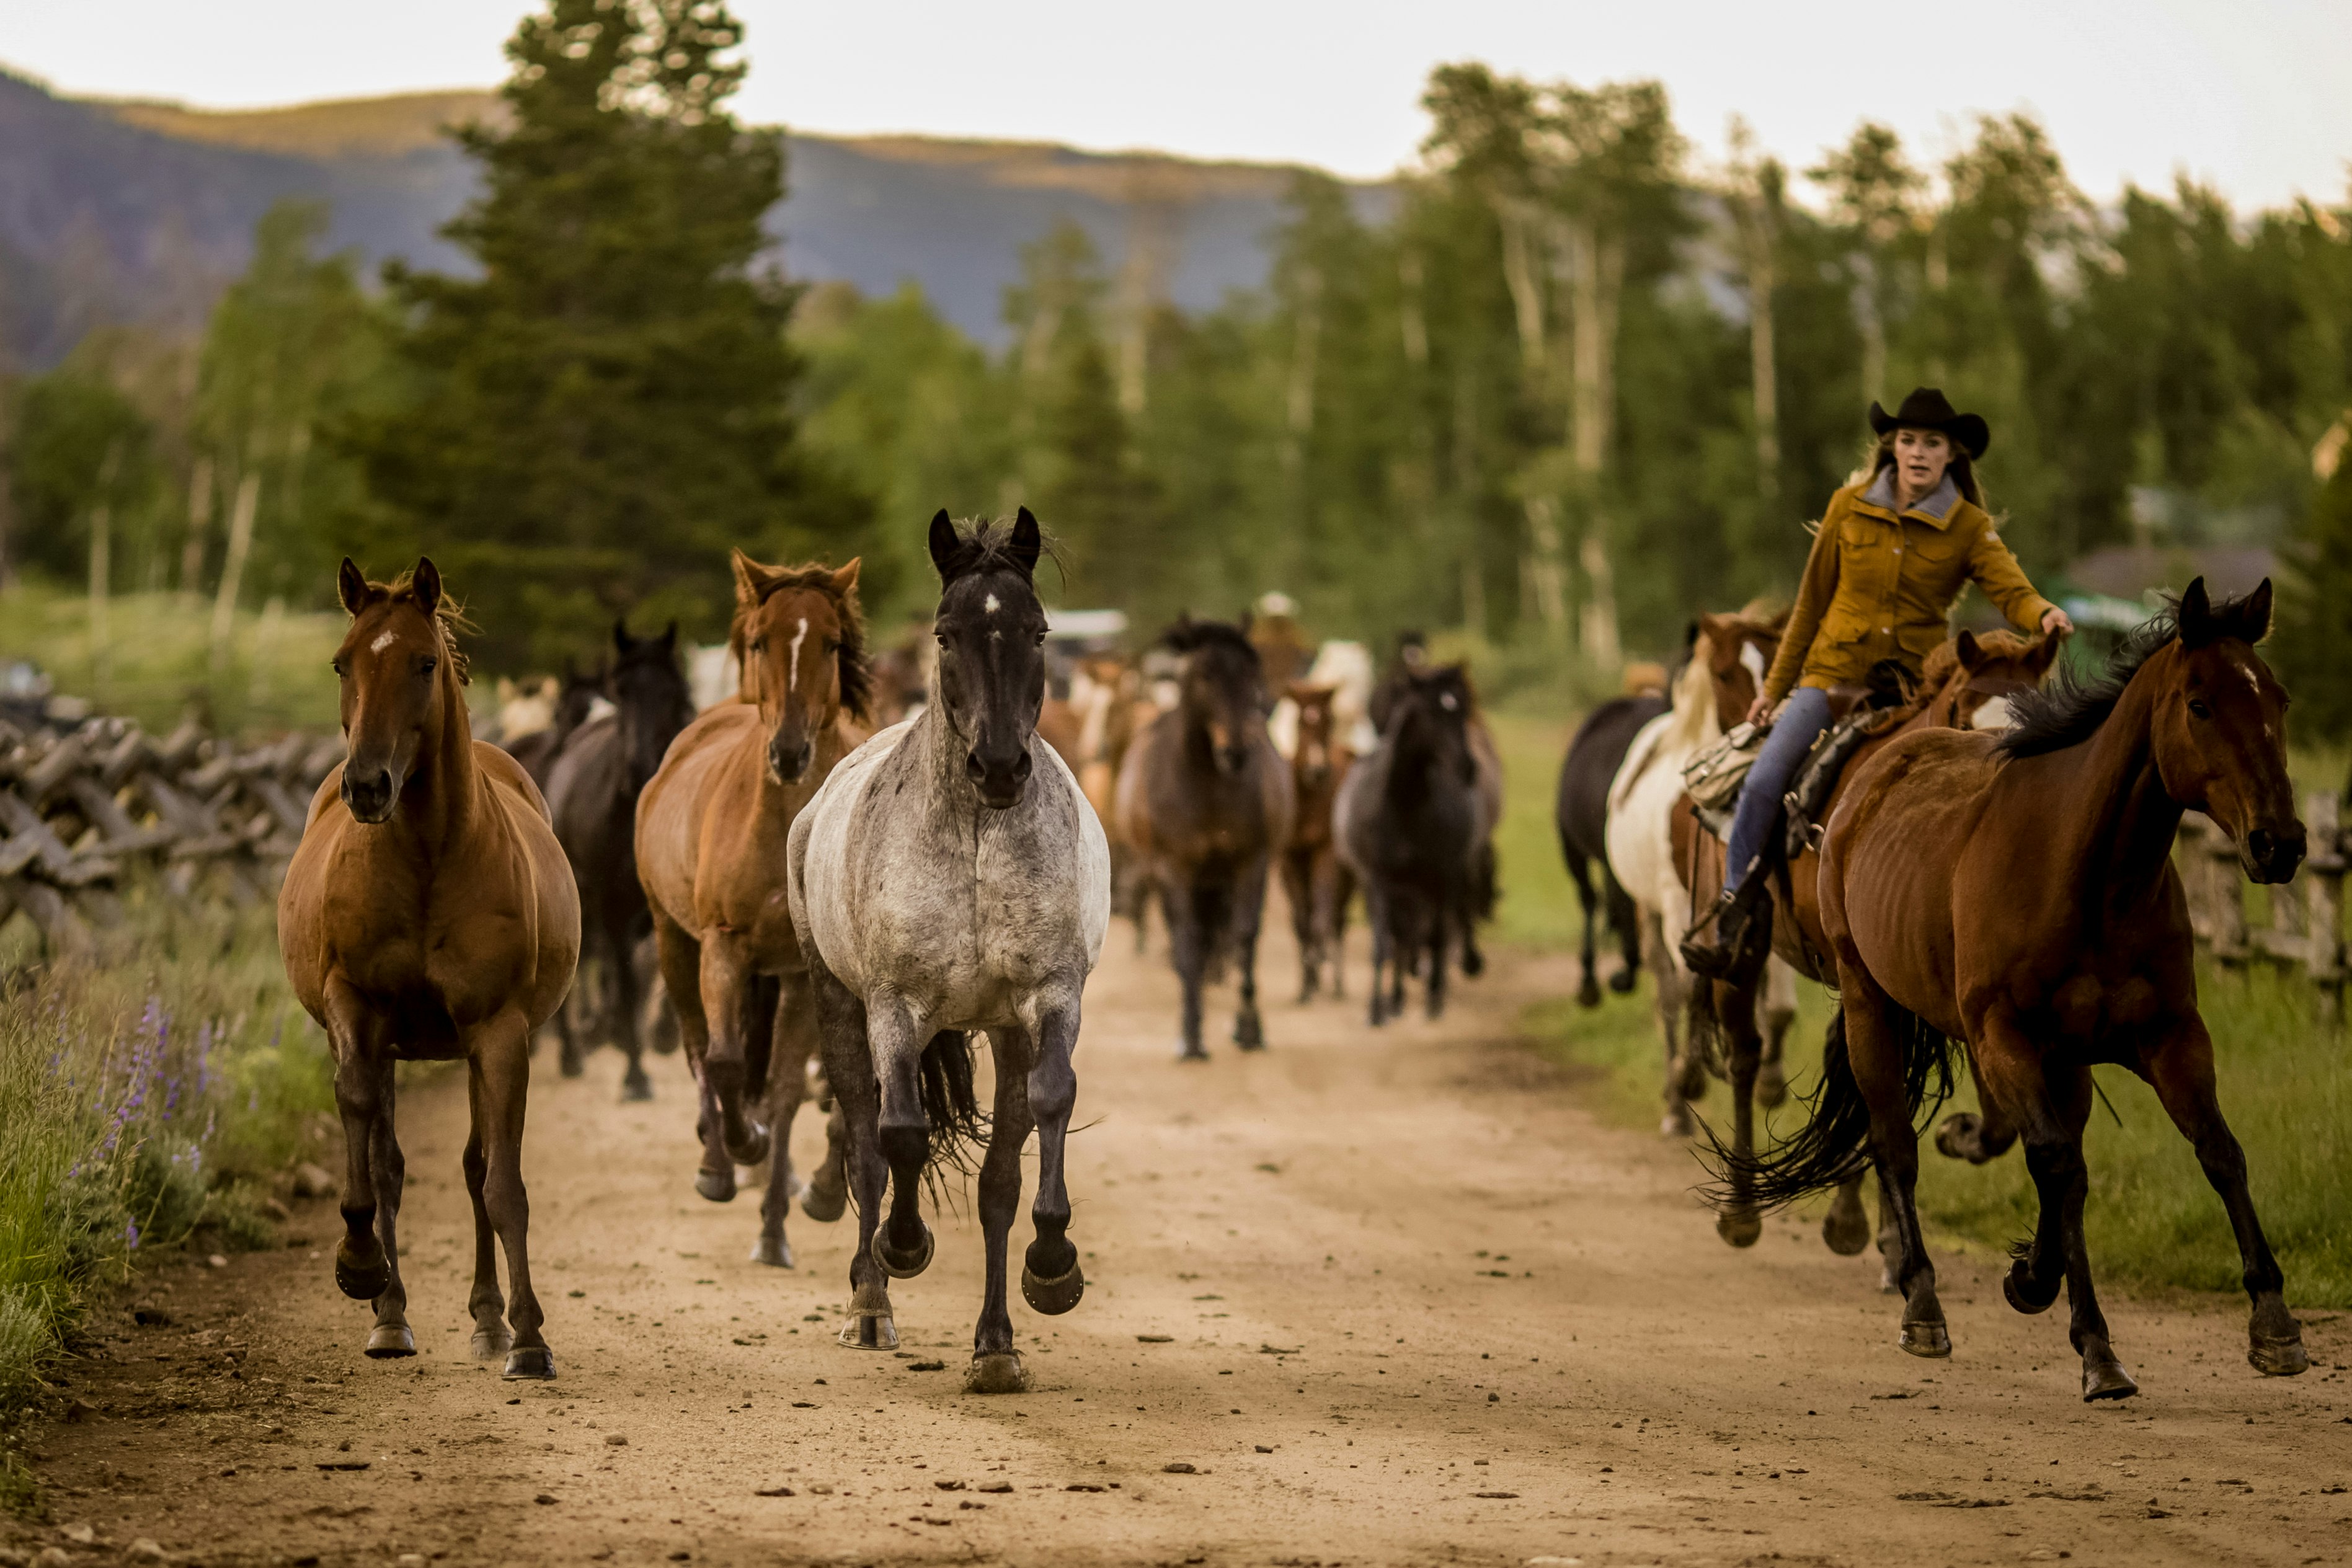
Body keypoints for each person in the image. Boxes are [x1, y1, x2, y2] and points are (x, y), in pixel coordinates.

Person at [1679, 388, 2073, 979]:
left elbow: (2009, 588)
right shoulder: (1847, 506)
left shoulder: (1968, 526)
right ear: (1891, 445)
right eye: (1908, 440)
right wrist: (1774, 689)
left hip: (1910, 687)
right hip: (1829, 678)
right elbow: (1809, 606)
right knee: (1763, 780)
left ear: (1950, 455)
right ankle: (1735, 904)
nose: (1917, 452)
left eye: (1932, 443)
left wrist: (2042, 613)